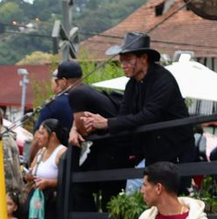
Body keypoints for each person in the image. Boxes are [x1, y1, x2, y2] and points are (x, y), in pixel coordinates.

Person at [78, 32, 196, 169]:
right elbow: (124, 116)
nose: (123, 65)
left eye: (128, 60)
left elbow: (149, 115)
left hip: (177, 146)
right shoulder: (132, 85)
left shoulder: (163, 79)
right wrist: (96, 125)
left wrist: (107, 122)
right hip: (153, 148)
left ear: (144, 58)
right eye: (122, 60)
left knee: (175, 188)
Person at [24, 119, 67, 219]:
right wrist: (29, 176)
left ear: (53, 135)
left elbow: (66, 180)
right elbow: (31, 171)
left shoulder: (62, 152)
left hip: (50, 200)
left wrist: (48, 182)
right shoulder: (41, 151)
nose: (37, 136)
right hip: (36, 197)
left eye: (42, 133)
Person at [35, 59, 84, 144]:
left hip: (58, 153)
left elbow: (38, 136)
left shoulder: (52, 104)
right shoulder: (89, 99)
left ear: (62, 81)